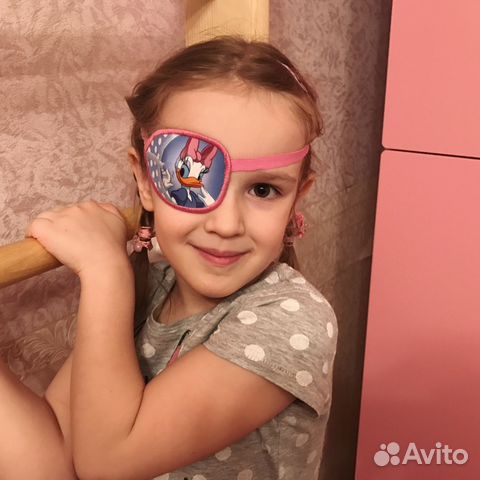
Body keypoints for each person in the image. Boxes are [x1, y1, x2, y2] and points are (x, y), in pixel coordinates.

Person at [1, 36, 338, 480]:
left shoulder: (292, 323)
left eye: (263, 190)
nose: (226, 224)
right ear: (145, 181)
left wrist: (106, 271)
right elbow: (54, 457)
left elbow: (106, 464)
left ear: (297, 197)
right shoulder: (153, 287)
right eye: (191, 178)